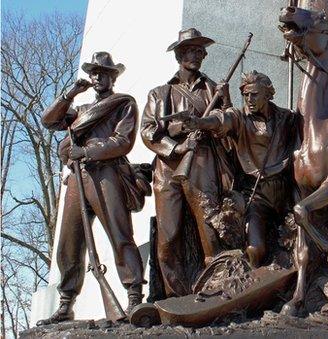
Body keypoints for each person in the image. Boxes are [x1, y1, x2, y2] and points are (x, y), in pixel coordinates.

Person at [37, 52, 145, 324]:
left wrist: (84, 150)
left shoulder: (123, 104)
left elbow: (123, 142)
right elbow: (48, 120)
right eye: (94, 72)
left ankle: (134, 296)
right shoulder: (80, 112)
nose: (98, 77)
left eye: (104, 72)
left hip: (107, 173)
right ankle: (66, 303)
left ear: (113, 77)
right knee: (69, 242)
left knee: (120, 234)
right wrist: (70, 93)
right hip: (77, 177)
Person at [140, 28, 233, 297]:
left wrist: (225, 102)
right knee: (168, 237)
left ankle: (217, 288)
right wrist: (177, 144)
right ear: (179, 55)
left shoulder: (213, 89)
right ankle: (176, 296)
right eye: (190, 50)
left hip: (203, 162)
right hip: (169, 167)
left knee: (210, 229)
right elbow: (148, 130)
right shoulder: (160, 93)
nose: (196, 55)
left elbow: (228, 127)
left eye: (200, 51)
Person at [185, 71, 301, 267]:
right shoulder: (239, 117)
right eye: (246, 95)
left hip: (286, 193)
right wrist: (199, 123)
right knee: (255, 249)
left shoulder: (286, 118)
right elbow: (222, 120)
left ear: (268, 94)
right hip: (257, 197)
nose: (249, 99)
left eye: (254, 94)